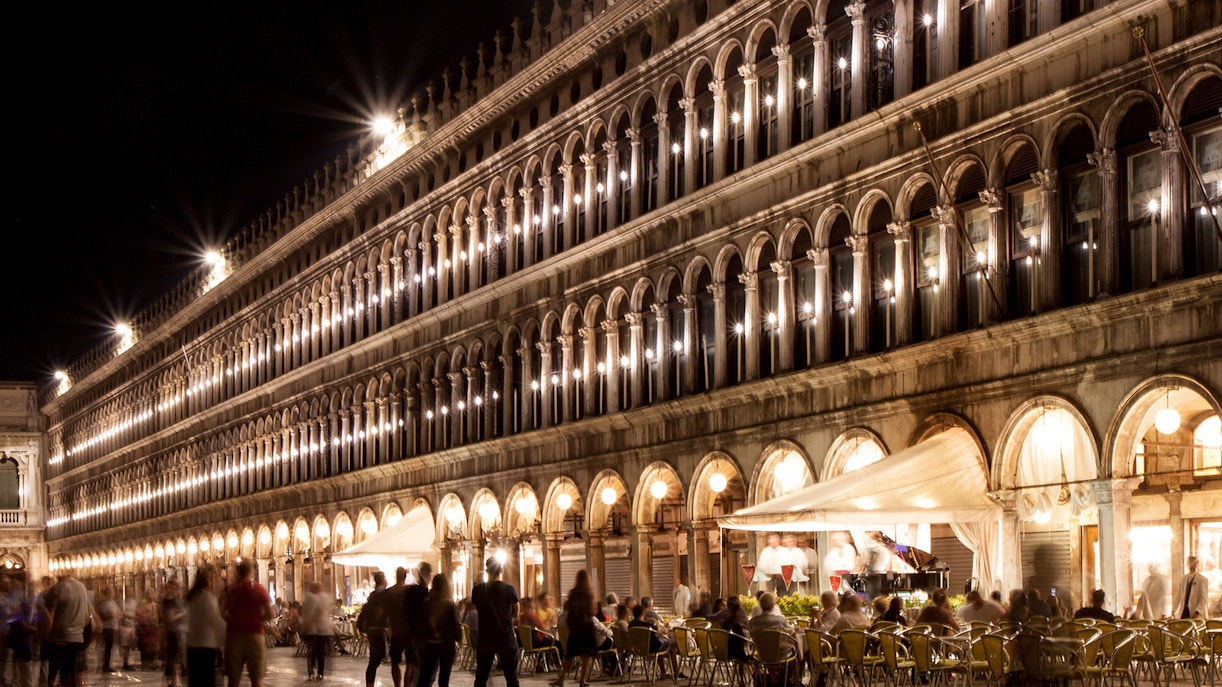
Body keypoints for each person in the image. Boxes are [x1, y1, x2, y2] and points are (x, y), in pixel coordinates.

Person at [222, 560, 273, 687]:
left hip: (234, 635)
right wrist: (258, 619)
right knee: (256, 679)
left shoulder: (230, 590)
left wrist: (230, 620)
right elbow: (270, 613)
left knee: (233, 680)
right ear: (251, 571)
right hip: (255, 635)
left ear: (236, 571)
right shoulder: (259, 589)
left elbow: (221, 610)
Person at [471, 558, 519, 687]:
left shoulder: (478, 590)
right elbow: (516, 610)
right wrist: (512, 619)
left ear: (487, 571)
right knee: (511, 677)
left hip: (486, 637)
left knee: (481, 677)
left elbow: (476, 607)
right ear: (501, 570)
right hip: (505, 636)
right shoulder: (509, 589)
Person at [44, 568, 92, 687]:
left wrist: (45, 636)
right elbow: (87, 617)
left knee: (52, 675)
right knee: (71, 674)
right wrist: (78, 629)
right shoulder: (82, 587)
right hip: (77, 639)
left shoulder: (56, 589)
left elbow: (50, 618)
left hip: (61, 638)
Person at [554, 570, 597, 687]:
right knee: (586, 655)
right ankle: (582, 680)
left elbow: (570, 610)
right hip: (587, 626)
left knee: (569, 653)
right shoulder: (590, 593)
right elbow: (592, 611)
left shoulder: (572, 593)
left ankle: (562, 678)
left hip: (575, 626)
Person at [416, 574, 460, 687]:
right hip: (446, 645)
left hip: (430, 644)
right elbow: (455, 627)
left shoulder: (426, 604)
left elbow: (421, 626)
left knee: (424, 678)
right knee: (444, 679)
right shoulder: (450, 606)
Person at [185, 567, 226, 687]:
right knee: (205, 681)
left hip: (193, 645)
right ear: (209, 581)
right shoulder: (207, 597)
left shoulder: (193, 596)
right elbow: (216, 622)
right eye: (217, 579)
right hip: (205, 646)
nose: (220, 582)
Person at [402, 563, 434, 686]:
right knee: (420, 666)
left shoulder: (410, 591)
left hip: (410, 631)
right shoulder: (425, 593)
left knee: (410, 664)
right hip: (421, 634)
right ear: (428, 575)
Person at [358, 571, 391, 687]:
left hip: (372, 629)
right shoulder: (384, 595)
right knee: (377, 658)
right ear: (382, 580)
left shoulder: (372, 596)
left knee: (374, 659)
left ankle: (370, 684)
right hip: (379, 629)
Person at [629, 604, 680, 679]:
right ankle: (675, 672)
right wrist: (656, 624)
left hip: (638, 650)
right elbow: (664, 631)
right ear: (643, 613)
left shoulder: (631, 625)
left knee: (664, 643)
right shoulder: (648, 626)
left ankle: (664, 672)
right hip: (653, 648)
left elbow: (640, 623)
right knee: (674, 641)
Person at [747, 593, 797, 660]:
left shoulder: (752, 622)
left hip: (762, 654)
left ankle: (772, 670)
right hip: (781, 654)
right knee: (795, 649)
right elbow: (793, 634)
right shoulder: (781, 620)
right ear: (773, 605)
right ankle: (796, 670)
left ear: (760, 606)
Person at [385, 567, 411, 687]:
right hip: (409, 630)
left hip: (395, 629)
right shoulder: (409, 591)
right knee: (410, 663)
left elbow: (385, 612)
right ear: (405, 576)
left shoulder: (389, 592)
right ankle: (406, 685)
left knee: (395, 662)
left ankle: (397, 686)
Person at [302, 581, 333, 680]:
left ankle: (312, 672)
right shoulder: (316, 598)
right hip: (317, 629)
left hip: (314, 629)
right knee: (318, 651)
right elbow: (320, 611)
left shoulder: (310, 598)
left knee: (313, 652)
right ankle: (319, 672)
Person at [162, 580, 188, 687]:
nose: (177, 589)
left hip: (178, 630)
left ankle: (174, 680)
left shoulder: (176, 599)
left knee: (175, 656)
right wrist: (183, 613)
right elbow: (170, 617)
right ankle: (174, 680)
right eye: (174, 587)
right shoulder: (168, 601)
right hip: (174, 631)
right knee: (175, 656)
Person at [8, 599, 35, 687]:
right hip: (23, 648)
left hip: (23, 648)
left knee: (26, 674)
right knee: (26, 674)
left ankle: (17, 680)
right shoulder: (19, 618)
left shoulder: (19, 617)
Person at [95, 586, 120, 673]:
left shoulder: (113, 603)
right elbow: (102, 615)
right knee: (107, 647)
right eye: (112, 592)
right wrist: (110, 615)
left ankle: (107, 664)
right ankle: (105, 665)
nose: (113, 593)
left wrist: (117, 615)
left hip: (114, 627)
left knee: (110, 647)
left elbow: (117, 613)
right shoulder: (103, 603)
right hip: (107, 627)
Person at [135, 589, 161, 670]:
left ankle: (153, 662)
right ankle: (145, 662)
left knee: (153, 645)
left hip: (153, 627)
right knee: (144, 645)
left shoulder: (156, 605)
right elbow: (138, 614)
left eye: (152, 594)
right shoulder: (142, 605)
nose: (150, 596)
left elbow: (158, 616)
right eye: (149, 594)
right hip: (145, 626)